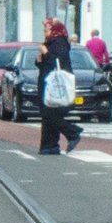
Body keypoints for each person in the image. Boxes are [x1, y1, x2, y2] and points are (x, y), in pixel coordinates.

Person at [37, 17, 82, 155]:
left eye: (47, 28)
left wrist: (45, 53)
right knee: (48, 114)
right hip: (49, 84)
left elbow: (57, 62)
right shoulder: (51, 42)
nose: (45, 31)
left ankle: (73, 132)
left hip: (56, 85)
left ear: (54, 30)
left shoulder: (59, 42)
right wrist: (39, 60)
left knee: (49, 113)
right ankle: (49, 146)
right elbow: (45, 64)